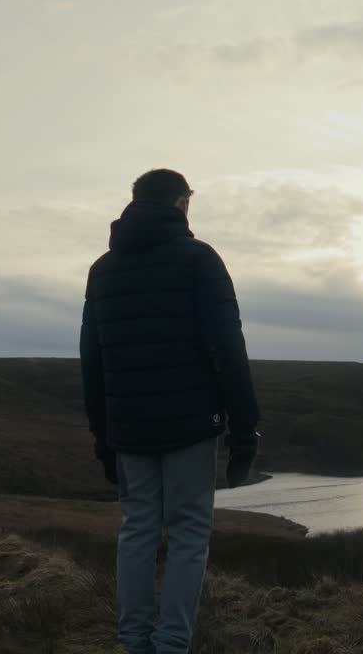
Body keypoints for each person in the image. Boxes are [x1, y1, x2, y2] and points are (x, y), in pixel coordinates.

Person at [80, 168, 261, 654]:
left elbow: (92, 361)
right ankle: (172, 645)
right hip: (192, 424)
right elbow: (229, 349)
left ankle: (134, 643)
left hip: (128, 427)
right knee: (188, 532)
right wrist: (245, 429)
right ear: (182, 203)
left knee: (138, 529)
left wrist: (102, 436)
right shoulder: (200, 259)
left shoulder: (103, 269)